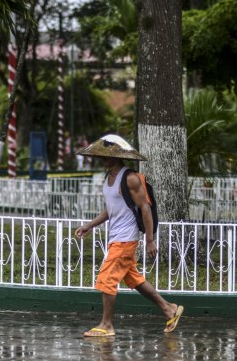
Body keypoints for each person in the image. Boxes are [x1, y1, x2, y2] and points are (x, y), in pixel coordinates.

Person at [74, 134, 183, 337]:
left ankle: (106, 325)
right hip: (115, 237)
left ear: (117, 156)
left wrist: (150, 240)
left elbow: (145, 208)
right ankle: (169, 309)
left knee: (106, 279)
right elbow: (110, 210)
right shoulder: (108, 179)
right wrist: (89, 225)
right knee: (135, 280)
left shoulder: (130, 178)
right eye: (100, 156)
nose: (102, 159)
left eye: (105, 156)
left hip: (126, 239)